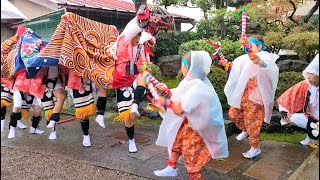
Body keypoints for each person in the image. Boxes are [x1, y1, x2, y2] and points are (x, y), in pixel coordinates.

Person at [154, 51, 229, 179]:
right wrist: (166, 91)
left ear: (188, 67)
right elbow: (179, 95)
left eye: (182, 65)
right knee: (175, 141)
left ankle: (195, 176)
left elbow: (180, 109)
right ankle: (171, 167)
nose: (181, 68)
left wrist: (163, 102)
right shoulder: (191, 81)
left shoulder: (199, 87)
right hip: (187, 123)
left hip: (197, 129)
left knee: (191, 155)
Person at [224, 34, 279, 158]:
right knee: (233, 113)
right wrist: (227, 65)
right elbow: (236, 70)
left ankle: (255, 148)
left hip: (256, 97)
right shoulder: (243, 58)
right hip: (244, 94)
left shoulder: (266, 58)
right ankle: (245, 129)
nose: (247, 47)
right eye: (246, 45)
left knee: (252, 122)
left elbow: (258, 62)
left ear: (259, 47)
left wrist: (248, 49)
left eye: (250, 45)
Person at [112, 17, 155, 153]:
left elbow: (145, 66)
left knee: (143, 77)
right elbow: (130, 31)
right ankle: (131, 140)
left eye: (140, 35)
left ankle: (136, 104)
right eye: (136, 34)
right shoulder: (121, 44)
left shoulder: (142, 47)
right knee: (128, 116)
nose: (138, 37)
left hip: (136, 78)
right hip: (122, 81)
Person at [277, 54, 319, 147]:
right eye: (308, 73)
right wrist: (284, 112)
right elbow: (288, 96)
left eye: (312, 74)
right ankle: (310, 138)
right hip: (312, 118)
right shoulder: (306, 85)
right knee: (288, 119)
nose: (309, 77)